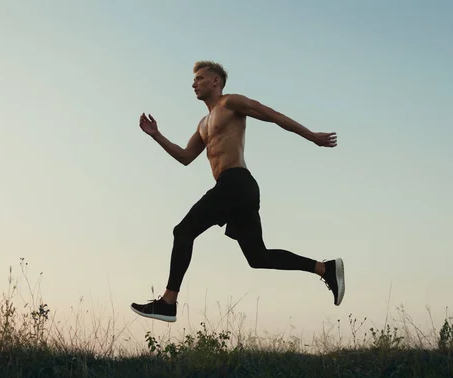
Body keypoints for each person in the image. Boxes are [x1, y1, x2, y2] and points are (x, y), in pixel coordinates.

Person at [131, 61, 345, 323]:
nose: (193, 84)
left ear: (215, 82)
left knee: (183, 231)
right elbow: (185, 157)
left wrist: (311, 135)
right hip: (235, 188)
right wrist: (156, 135)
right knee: (258, 257)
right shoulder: (203, 124)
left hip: (236, 182)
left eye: (199, 78)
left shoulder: (230, 103)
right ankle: (326, 269)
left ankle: (168, 302)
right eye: (194, 80)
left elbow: (272, 115)